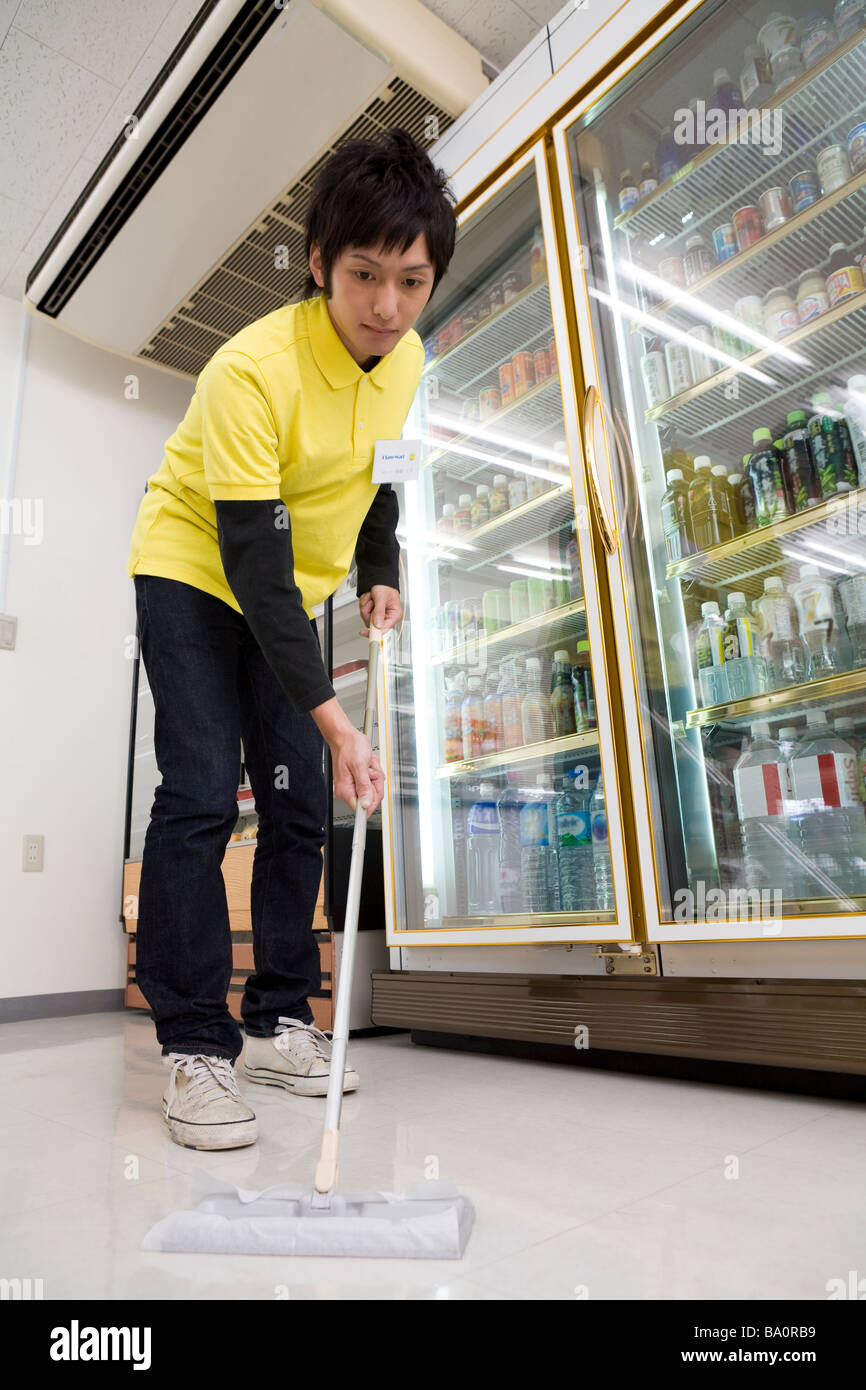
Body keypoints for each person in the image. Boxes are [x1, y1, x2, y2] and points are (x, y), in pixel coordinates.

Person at [126, 128, 456, 1150]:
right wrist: (333, 717)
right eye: (364, 275)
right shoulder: (250, 373)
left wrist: (380, 574)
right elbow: (254, 569)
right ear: (319, 264)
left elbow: (378, 481)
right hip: (193, 570)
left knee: (297, 801)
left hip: (294, 587)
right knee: (198, 788)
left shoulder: (405, 361)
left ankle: (275, 1018)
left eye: (410, 279)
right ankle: (192, 1045)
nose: (386, 306)